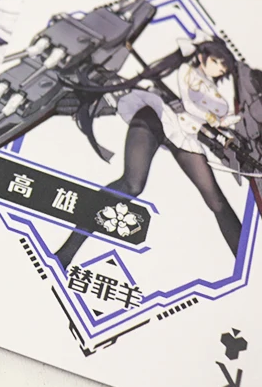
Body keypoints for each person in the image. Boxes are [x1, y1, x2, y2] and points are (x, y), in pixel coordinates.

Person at [55, 37, 243, 269]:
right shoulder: (184, 68)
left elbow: (212, 115)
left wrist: (222, 128)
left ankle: (249, 264)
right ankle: (66, 253)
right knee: (131, 185)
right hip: (155, 115)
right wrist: (181, 54)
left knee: (216, 201)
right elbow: (181, 95)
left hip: (183, 134)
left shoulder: (214, 94)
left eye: (223, 68)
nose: (219, 69)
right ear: (203, 56)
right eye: (216, 62)